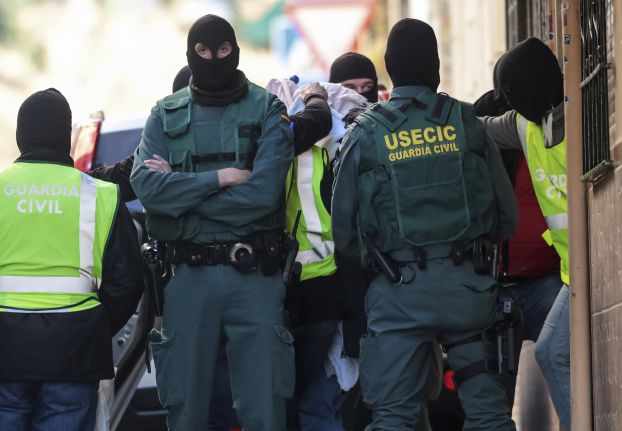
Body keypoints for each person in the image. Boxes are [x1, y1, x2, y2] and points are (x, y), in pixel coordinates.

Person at [130, 15, 332, 431]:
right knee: (186, 412)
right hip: (186, 279)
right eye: (203, 52)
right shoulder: (164, 115)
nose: (214, 59)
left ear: (235, 50)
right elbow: (148, 189)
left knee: (265, 410)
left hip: (255, 276)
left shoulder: (266, 109)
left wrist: (181, 194)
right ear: (190, 54)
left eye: (222, 50)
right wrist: (217, 179)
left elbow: (263, 196)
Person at [332, 18, 518, 431]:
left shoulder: (364, 134)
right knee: (489, 414)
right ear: (435, 65)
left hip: (398, 294)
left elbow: (342, 232)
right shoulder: (467, 122)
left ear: (390, 68)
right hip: (469, 290)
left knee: (394, 416)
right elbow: (508, 216)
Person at [0, 88, 144, 430]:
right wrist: (93, 327)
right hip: (74, 351)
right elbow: (127, 282)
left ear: (21, 136)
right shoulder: (102, 195)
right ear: (66, 137)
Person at [480, 37, 570, 430]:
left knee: (554, 353)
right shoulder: (524, 126)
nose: (511, 103)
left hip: (572, 273)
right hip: (571, 273)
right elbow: (479, 126)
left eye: (513, 91)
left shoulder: (581, 122)